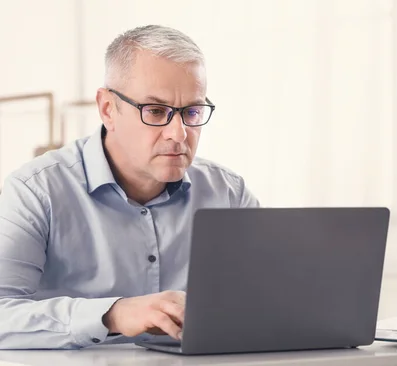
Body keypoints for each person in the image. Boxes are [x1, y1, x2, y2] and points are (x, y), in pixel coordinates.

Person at [0, 25, 259, 349]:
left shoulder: (228, 193)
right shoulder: (35, 192)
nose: (178, 134)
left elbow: (268, 301)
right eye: (156, 111)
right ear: (108, 109)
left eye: (192, 112)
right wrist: (112, 314)